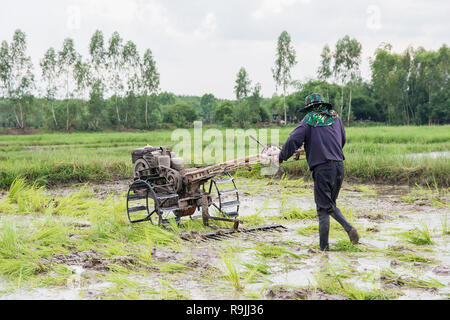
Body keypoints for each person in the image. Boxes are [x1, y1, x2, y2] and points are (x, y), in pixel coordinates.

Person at [277, 93, 359, 251]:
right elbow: (342, 140)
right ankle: (327, 245)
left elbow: (293, 140)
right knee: (329, 205)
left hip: (322, 168)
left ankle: (337, 238)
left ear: (310, 107)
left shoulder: (309, 120)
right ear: (322, 105)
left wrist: (281, 157)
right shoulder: (336, 118)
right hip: (339, 166)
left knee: (323, 208)